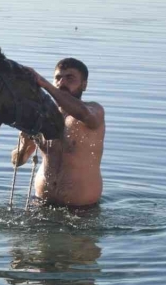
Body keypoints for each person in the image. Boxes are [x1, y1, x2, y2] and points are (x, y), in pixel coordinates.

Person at [11, 57, 105, 209]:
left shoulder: (94, 111)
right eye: (58, 78)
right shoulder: (41, 117)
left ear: (84, 85)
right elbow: (17, 162)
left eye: (70, 78)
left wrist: (44, 84)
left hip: (82, 211)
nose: (62, 83)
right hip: (41, 203)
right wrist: (23, 145)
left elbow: (84, 114)